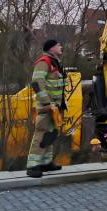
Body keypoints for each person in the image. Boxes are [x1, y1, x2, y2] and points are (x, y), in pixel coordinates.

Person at [26, 39, 67, 178]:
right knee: (41, 134)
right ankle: (32, 166)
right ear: (51, 48)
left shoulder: (55, 62)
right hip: (47, 106)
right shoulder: (44, 62)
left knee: (50, 134)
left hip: (54, 107)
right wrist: (46, 102)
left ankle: (45, 162)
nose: (61, 46)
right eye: (58, 44)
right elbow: (36, 82)